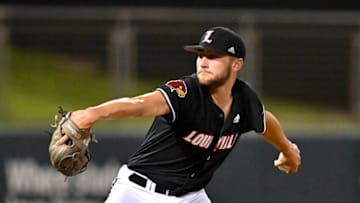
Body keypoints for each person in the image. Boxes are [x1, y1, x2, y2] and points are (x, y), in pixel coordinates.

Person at [56, 26, 301, 203]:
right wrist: (91, 114)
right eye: (200, 55)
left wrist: (287, 149)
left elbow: (264, 120)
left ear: (236, 64)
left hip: (191, 197)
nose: (203, 62)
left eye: (213, 57)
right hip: (138, 193)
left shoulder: (244, 99)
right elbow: (139, 104)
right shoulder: (185, 92)